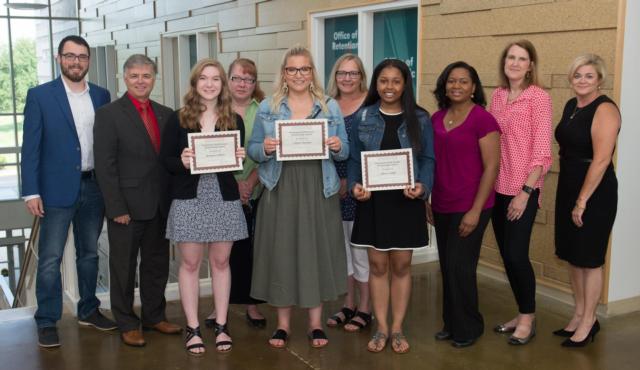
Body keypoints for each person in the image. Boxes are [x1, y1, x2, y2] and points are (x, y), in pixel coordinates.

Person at [248, 45, 348, 349]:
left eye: (304, 69)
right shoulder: (267, 107)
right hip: (281, 186)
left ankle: (316, 324)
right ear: (284, 73)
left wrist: (335, 145)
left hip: (319, 187)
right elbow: (253, 149)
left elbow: (345, 149)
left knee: (315, 251)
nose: (298, 75)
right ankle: (283, 325)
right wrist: (264, 148)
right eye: (292, 69)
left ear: (312, 72)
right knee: (282, 252)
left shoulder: (330, 105)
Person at [21, 35, 117, 348]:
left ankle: (88, 309)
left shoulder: (102, 95)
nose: (76, 62)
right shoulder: (40, 96)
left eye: (82, 56)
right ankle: (47, 320)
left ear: (88, 60)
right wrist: (31, 191)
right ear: (59, 58)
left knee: (89, 254)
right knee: (50, 258)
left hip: (94, 187)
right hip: (55, 190)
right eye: (70, 56)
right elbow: (31, 148)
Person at [348, 59, 435, 354]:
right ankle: (381, 327)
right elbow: (353, 159)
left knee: (401, 265)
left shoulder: (420, 118)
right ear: (376, 84)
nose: (389, 87)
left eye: (396, 81)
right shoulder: (363, 117)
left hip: (406, 200)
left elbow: (428, 159)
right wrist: (355, 184)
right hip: (373, 201)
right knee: (377, 265)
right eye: (383, 81)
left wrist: (423, 186)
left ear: (405, 84)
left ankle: (397, 327)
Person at [161, 58, 248, 354]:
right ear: (195, 83)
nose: (209, 84)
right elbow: (166, 161)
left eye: (215, 79)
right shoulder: (178, 119)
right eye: (203, 78)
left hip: (223, 197)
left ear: (223, 85)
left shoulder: (234, 120)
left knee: (221, 263)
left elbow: (237, 164)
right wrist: (182, 162)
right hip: (189, 198)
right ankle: (193, 327)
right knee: (189, 265)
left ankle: (222, 324)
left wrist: (239, 155)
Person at [94, 54, 181, 347]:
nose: (141, 81)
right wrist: (116, 207)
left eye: (146, 76)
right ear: (124, 78)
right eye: (135, 76)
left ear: (154, 78)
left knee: (156, 265)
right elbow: (105, 166)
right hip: (127, 208)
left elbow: (168, 160)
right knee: (123, 267)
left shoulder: (167, 113)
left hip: (159, 205)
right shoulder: (109, 114)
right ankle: (127, 322)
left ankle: (155, 316)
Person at [428, 61, 500, 348]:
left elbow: (492, 166)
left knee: (461, 267)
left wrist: (474, 210)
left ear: (474, 87)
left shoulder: (483, 119)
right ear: (445, 85)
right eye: (451, 81)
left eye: (464, 81)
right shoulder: (436, 118)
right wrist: (428, 201)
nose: (456, 86)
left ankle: (470, 326)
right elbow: (430, 164)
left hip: (472, 204)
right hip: (442, 202)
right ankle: (451, 322)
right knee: (447, 266)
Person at [488, 40, 553, 345]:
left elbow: (541, 152)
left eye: (522, 58)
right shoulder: (498, 96)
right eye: (510, 57)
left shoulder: (538, 98)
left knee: (516, 254)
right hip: (497, 187)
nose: (515, 62)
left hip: (523, 189)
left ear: (530, 66)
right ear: (504, 62)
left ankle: (528, 317)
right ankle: (520, 311)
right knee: (507, 255)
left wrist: (525, 192)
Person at [553, 54, 620, 347]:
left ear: (600, 80)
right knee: (572, 255)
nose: (582, 81)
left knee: (590, 259)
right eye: (578, 75)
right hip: (568, 184)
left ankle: (590, 320)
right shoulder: (571, 106)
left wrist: (581, 201)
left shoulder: (604, 109)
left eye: (589, 76)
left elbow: (602, 159)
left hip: (594, 191)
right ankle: (579, 314)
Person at [204, 58, 267, 329]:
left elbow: (270, 151)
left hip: (257, 187)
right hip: (221, 190)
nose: (243, 84)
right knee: (221, 254)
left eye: (249, 79)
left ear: (255, 84)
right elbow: (209, 153)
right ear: (227, 80)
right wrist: (233, 183)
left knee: (252, 250)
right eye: (237, 78)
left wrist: (250, 182)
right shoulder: (215, 108)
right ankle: (220, 308)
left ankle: (251, 303)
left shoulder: (264, 110)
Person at [325, 54, 372, 332]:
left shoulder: (371, 105)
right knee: (341, 250)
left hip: (360, 189)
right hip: (332, 189)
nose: (347, 78)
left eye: (353, 73)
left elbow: (373, 149)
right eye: (342, 73)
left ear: (361, 76)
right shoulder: (327, 106)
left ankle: (366, 308)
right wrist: (335, 180)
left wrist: (350, 180)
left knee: (360, 250)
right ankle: (348, 303)